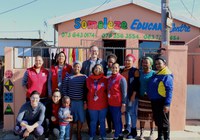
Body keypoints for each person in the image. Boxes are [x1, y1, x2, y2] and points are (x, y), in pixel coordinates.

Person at [148, 56, 173, 140]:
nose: (157, 65)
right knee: (158, 120)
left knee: (164, 121)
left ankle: (167, 138)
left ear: (164, 64)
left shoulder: (167, 75)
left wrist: (167, 104)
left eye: (159, 63)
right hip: (155, 101)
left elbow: (169, 90)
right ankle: (160, 137)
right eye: (156, 64)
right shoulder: (158, 73)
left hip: (162, 101)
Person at [62, 61, 87, 140]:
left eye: (78, 67)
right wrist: (67, 101)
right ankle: (70, 133)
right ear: (73, 67)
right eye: (75, 66)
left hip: (80, 102)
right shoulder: (68, 76)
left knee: (80, 118)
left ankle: (79, 133)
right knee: (70, 118)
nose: (77, 68)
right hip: (70, 102)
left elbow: (86, 90)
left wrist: (85, 101)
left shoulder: (84, 77)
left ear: (81, 68)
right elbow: (64, 88)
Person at [86, 64, 108, 140]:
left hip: (103, 104)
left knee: (102, 121)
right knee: (93, 121)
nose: (97, 69)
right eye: (96, 68)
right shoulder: (88, 79)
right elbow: (85, 91)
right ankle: (92, 135)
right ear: (93, 69)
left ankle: (103, 136)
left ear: (102, 70)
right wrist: (85, 102)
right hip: (92, 105)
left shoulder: (105, 79)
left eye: (99, 68)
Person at [121, 54, 140, 139]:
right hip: (124, 96)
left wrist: (133, 95)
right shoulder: (122, 71)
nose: (127, 62)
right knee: (126, 112)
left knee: (132, 113)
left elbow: (137, 84)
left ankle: (133, 131)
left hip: (132, 95)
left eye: (129, 60)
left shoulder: (135, 71)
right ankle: (128, 129)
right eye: (126, 60)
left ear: (133, 62)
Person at [108, 63, 127, 140]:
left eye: (116, 68)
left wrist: (123, 104)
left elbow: (124, 93)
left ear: (119, 69)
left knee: (117, 120)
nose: (114, 69)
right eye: (113, 68)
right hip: (110, 103)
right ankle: (119, 135)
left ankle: (117, 136)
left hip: (117, 103)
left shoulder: (121, 78)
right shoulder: (110, 78)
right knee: (115, 120)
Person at [138, 57, 155, 140]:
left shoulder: (154, 73)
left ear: (151, 64)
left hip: (151, 98)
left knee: (151, 117)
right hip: (141, 97)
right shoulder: (140, 73)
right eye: (143, 62)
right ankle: (141, 133)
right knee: (142, 116)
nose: (144, 64)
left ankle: (152, 132)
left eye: (146, 62)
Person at [104, 54, 117, 133]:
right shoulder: (104, 70)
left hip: (114, 95)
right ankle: (109, 127)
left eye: (112, 62)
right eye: (109, 62)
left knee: (114, 112)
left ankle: (115, 127)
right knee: (108, 112)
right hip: (105, 94)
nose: (110, 64)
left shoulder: (117, 71)